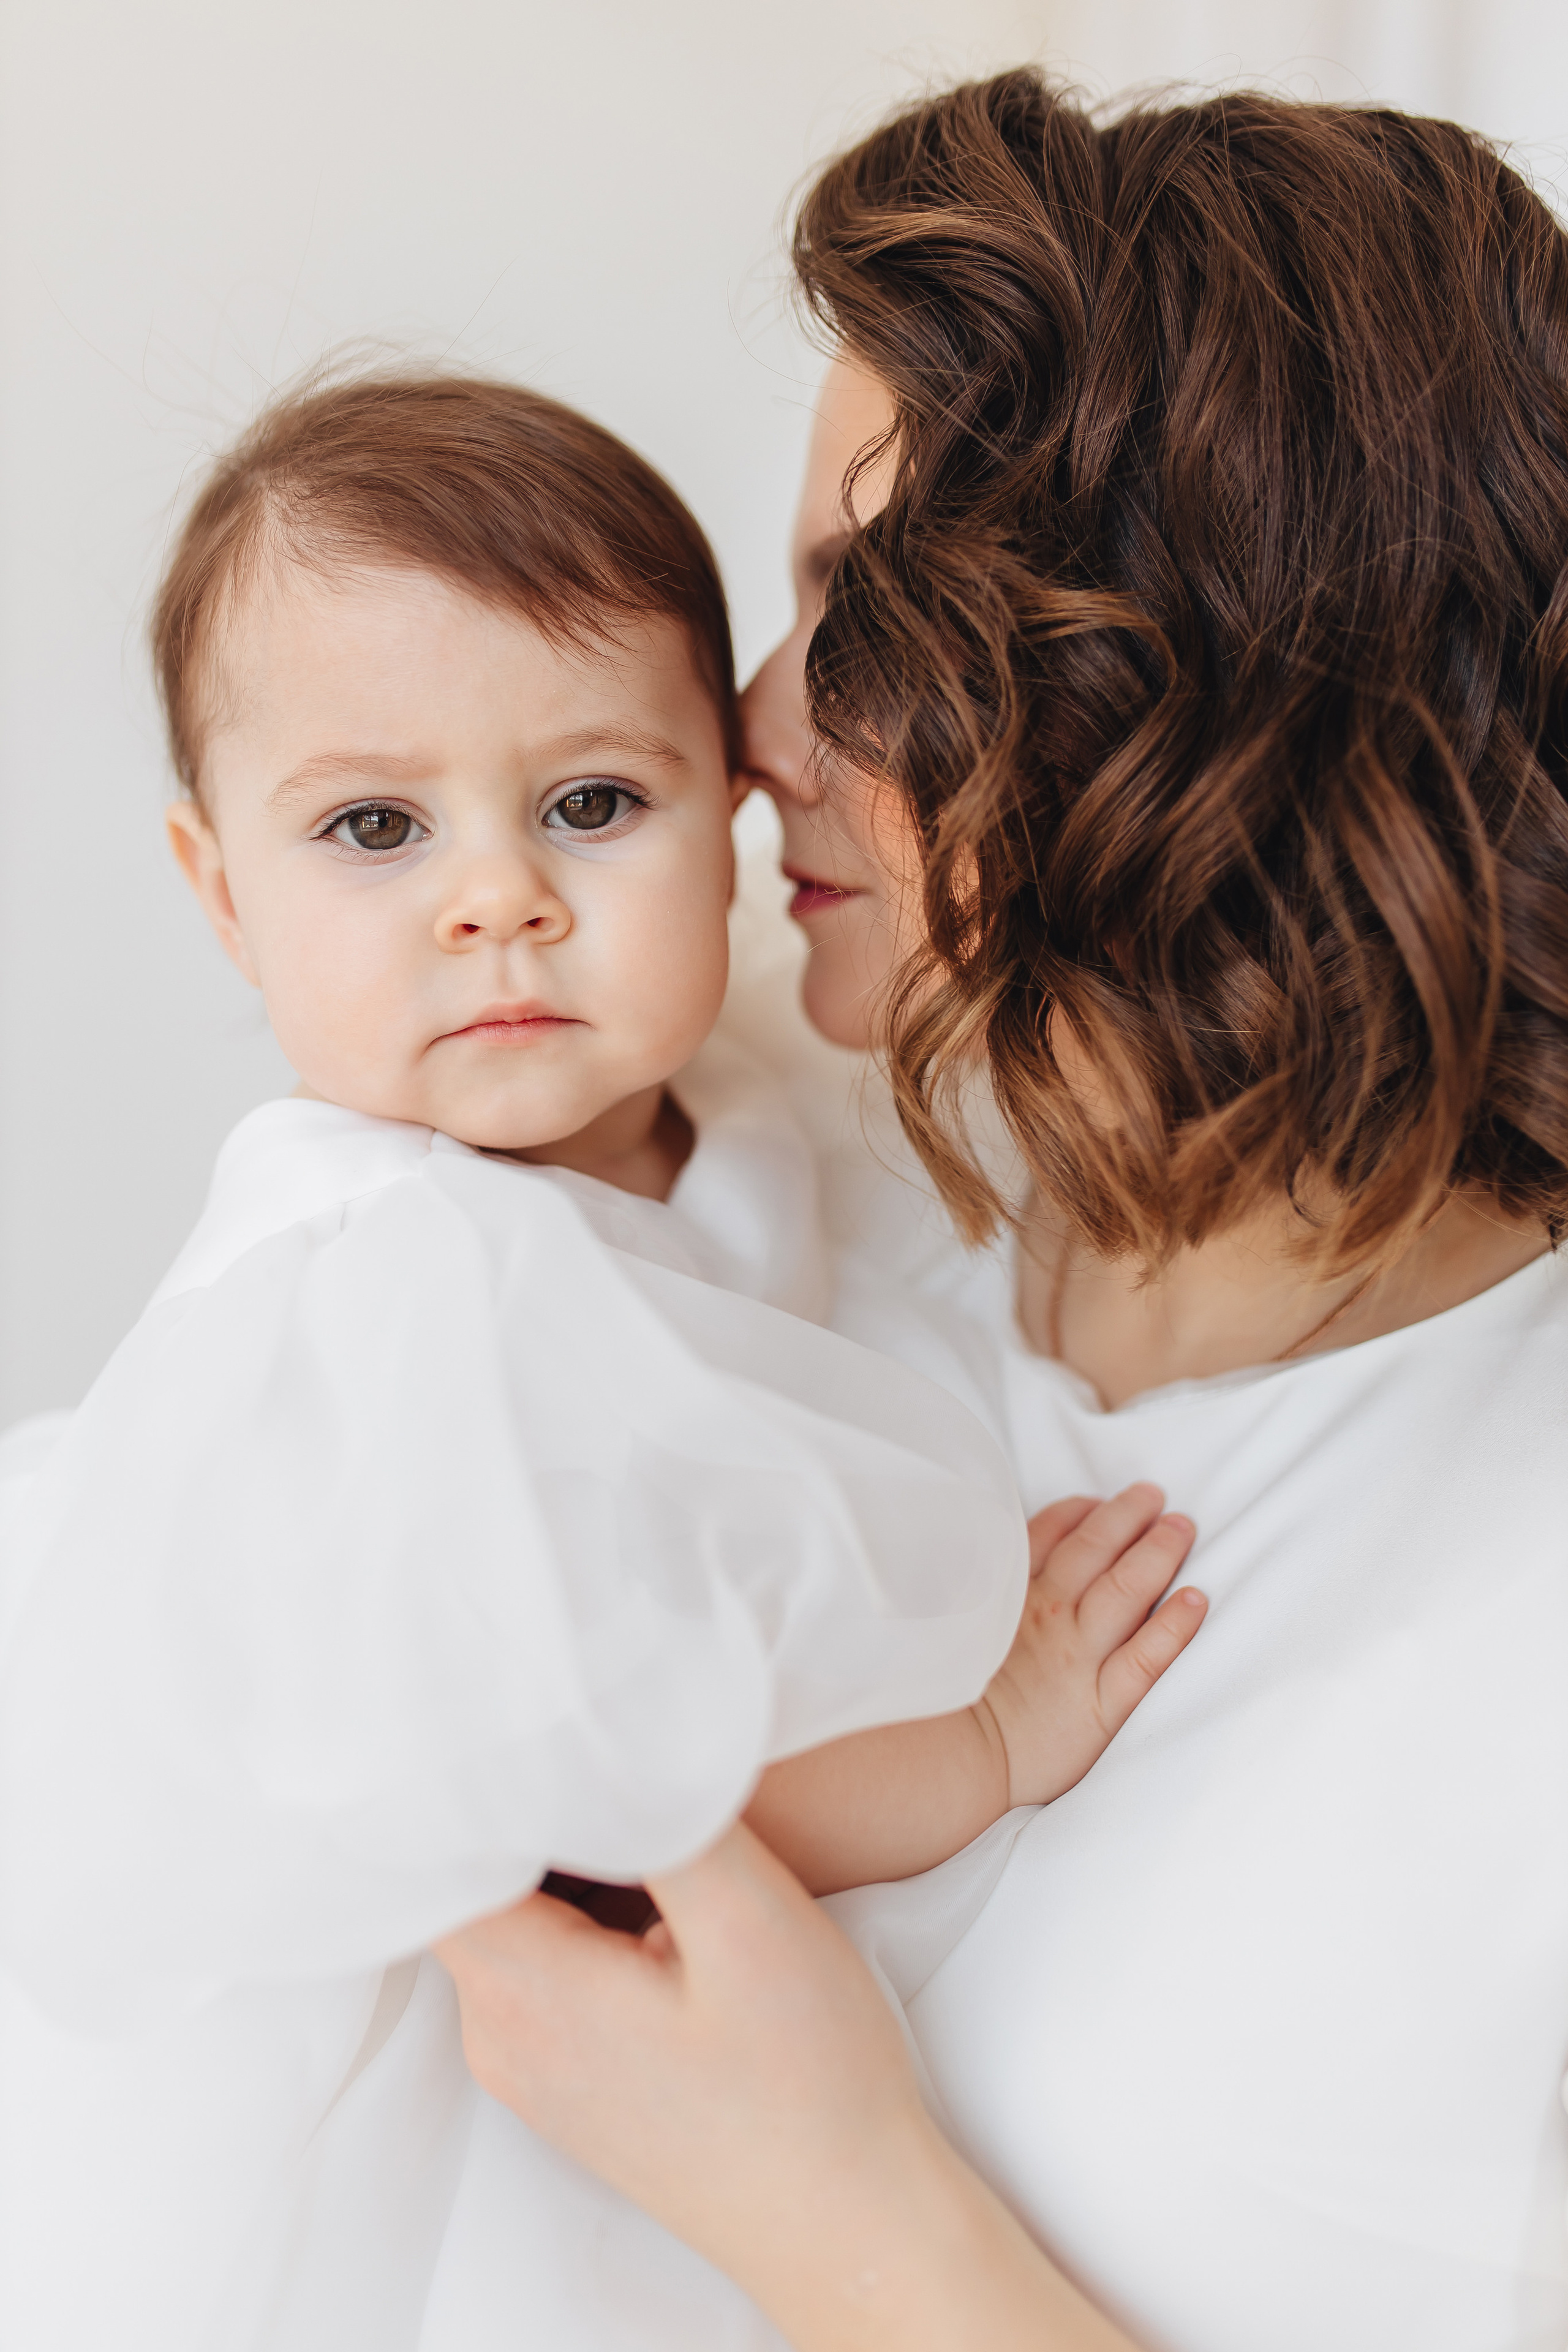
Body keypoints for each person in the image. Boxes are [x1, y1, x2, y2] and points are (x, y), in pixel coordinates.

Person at [439, 70, 1568, 2352]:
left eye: (865, 611)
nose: (751, 725)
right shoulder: (724, 1155)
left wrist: (847, 2220)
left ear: (1200, 673)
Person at [0, 371, 1204, 2352]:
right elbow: (595, 1814)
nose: (501, 898)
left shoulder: (736, 1102)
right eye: (373, 828)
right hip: (441, 2095)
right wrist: (984, 1743)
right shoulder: (399, 1283)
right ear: (224, 894)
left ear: (732, 824)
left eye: (591, 803)